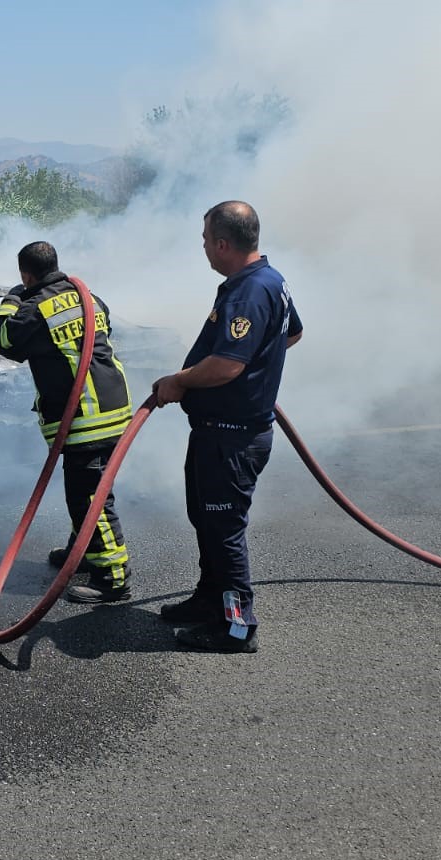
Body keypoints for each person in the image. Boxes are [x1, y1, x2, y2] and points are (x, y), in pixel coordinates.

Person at [152, 201, 303, 652]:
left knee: (224, 529)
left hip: (230, 437)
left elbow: (226, 365)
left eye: (204, 241)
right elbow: (291, 333)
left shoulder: (247, 292)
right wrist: (260, 371)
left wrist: (178, 381)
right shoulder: (267, 281)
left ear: (223, 243)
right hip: (221, 431)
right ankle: (209, 602)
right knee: (206, 520)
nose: (203, 249)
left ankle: (237, 627)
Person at [0, 241, 135, 603]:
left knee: (90, 499)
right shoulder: (89, 297)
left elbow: (3, 340)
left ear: (26, 273)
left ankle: (113, 578)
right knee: (84, 490)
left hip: (87, 418)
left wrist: (12, 298)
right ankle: (82, 552)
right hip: (111, 407)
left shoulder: (34, 309)